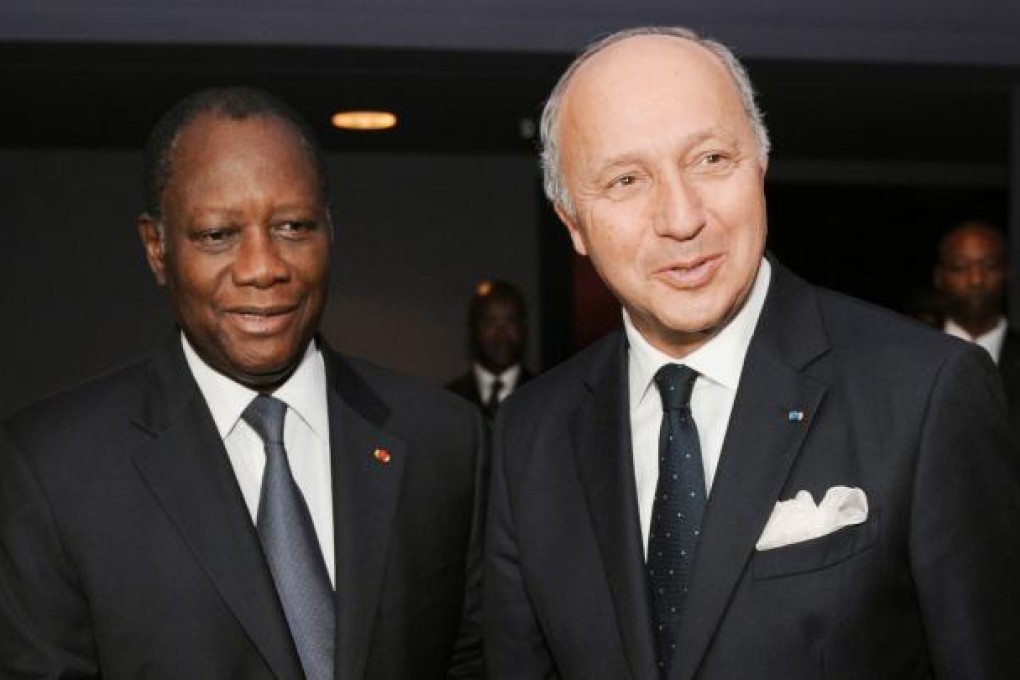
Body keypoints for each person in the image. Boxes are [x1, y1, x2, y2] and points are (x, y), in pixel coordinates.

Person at [485, 26, 1020, 680]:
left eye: (711, 160)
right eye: (626, 179)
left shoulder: (926, 392)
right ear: (573, 223)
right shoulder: (528, 436)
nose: (682, 218)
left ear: (760, 167)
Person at [0, 87, 485, 679]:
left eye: (293, 226)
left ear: (329, 231)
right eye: (217, 235)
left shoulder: (445, 441)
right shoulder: (53, 469)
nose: (263, 267)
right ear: (157, 249)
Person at [934, 220, 1020, 428]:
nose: (976, 279)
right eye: (960, 267)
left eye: (990, 266)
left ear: (1008, 273)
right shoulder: (912, 355)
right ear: (939, 277)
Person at [447, 280, 533, 418]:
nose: (502, 334)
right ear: (473, 329)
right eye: (490, 322)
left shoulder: (546, 396)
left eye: (511, 321)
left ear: (524, 328)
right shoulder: (448, 399)